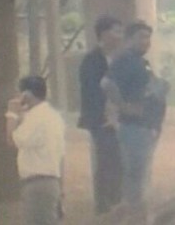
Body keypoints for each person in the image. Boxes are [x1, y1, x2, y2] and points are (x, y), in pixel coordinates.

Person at [103, 21, 168, 218]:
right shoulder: (126, 59)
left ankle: (132, 216)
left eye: (148, 37)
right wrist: (123, 107)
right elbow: (107, 83)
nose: (146, 41)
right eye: (141, 36)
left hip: (144, 127)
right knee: (136, 179)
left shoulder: (140, 61)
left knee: (139, 177)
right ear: (129, 38)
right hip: (134, 128)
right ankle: (132, 217)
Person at [77, 15, 124, 215]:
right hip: (102, 121)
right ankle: (104, 207)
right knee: (105, 161)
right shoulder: (91, 60)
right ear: (104, 34)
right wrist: (107, 116)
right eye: (116, 31)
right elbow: (92, 91)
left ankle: (118, 202)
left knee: (121, 161)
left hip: (123, 120)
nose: (120, 36)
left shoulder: (122, 58)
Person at [5, 75, 66, 225]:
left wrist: (11, 114)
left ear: (27, 94)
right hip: (51, 182)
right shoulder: (52, 115)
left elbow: (11, 139)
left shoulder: (36, 117)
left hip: (37, 184)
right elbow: (61, 156)